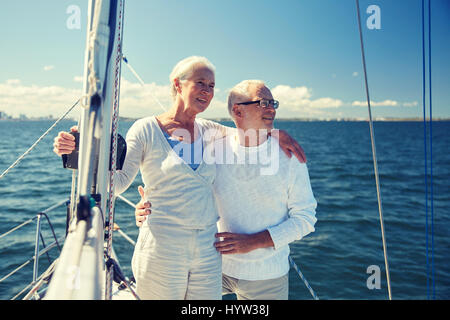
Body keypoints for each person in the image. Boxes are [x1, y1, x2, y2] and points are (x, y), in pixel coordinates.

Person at [53, 57, 307, 300]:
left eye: (211, 86)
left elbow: (246, 130)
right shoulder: (146, 129)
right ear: (177, 84)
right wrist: (83, 152)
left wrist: (276, 133)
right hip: (162, 248)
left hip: (207, 252)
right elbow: (117, 183)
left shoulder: (210, 130)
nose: (207, 91)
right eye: (200, 83)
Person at [135, 79, 317, 300]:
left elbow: (305, 218)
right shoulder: (211, 147)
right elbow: (184, 186)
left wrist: (253, 242)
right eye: (263, 102)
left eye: (273, 103)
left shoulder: (289, 156)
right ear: (237, 111)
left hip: (265, 275)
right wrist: (150, 207)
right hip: (210, 264)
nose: (271, 108)